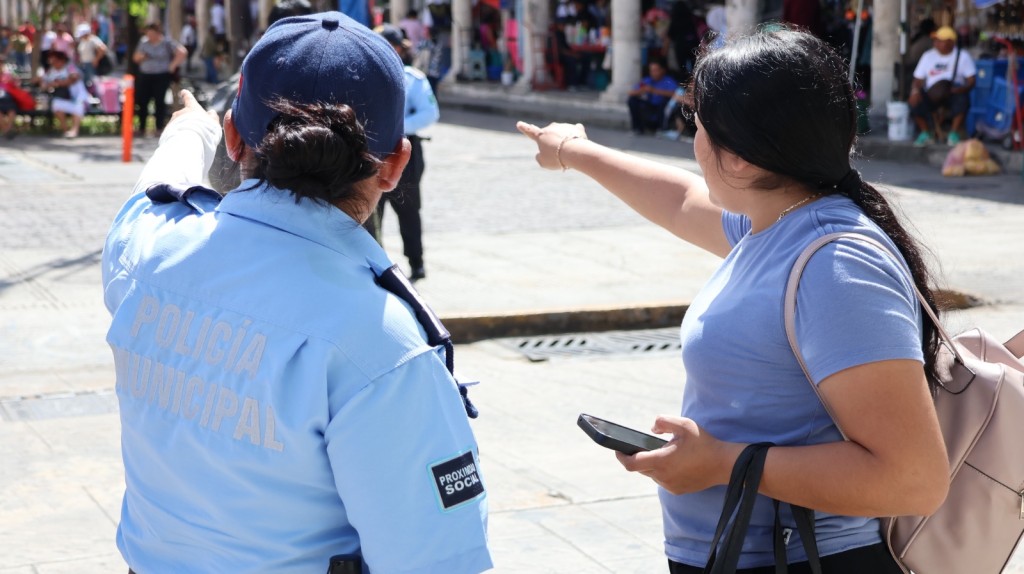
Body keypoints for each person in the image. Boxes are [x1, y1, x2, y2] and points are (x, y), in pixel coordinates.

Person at [517, 26, 948, 573]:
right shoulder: (776, 223)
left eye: (695, 124)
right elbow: (678, 200)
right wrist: (573, 152)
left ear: (742, 159)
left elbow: (912, 479)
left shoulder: (836, 267)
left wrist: (722, 464)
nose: (691, 140)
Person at [101, 11, 492, 573]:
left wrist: (192, 129)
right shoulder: (382, 343)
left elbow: (150, 193)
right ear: (395, 166)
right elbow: (436, 561)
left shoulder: (147, 253)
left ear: (236, 138)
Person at [366, 24, 440, 281]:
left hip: (404, 149)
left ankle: (416, 262)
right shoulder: (363, 77)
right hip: (371, 152)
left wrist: (396, 126)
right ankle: (376, 264)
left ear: (399, 48)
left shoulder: (413, 79)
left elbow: (429, 113)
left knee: (409, 210)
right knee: (370, 211)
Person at [908, 25, 976, 147]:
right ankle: (925, 133)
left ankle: (953, 134)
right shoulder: (928, 56)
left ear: (951, 42)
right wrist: (915, 91)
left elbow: (971, 80)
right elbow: (918, 79)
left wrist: (962, 88)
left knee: (963, 99)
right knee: (914, 101)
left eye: (940, 41)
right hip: (931, 93)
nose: (936, 43)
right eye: (936, 40)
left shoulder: (962, 56)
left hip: (951, 93)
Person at [132, 21, 187, 136]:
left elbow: (182, 52)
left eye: (152, 34)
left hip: (161, 75)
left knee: (159, 101)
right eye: (148, 34)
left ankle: (159, 127)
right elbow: (135, 58)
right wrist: (143, 56)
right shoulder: (144, 42)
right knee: (143, 101)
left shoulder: (166, 43)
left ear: (158, 33)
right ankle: (142, 127)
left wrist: (172, 65)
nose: (150, 37)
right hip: (145, 75)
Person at [37, 50, 88, 138]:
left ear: (62, 60)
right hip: (63, 98)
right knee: (56, 105)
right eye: (51, 61)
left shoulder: (70, 67)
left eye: (55, 61)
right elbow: (43, 83)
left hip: (78, 97)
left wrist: (58, 83)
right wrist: (47, 84)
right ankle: (65, 130)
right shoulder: (51, 71)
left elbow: (74, 78)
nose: (53, 63)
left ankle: (74, 130)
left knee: (78, 106)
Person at [626, 59, 678, 134]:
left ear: (662, 70)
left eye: (656, 70)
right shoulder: (647, 80)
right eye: (651, 70)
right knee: (632, 100)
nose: (653, 73)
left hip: (662, 107)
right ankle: (636, 128)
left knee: (665, 103)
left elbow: (674, 94)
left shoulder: (668, 81)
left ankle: (662, 128)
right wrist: (642, 90)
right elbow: (631, 92)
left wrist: (654, 91)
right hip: (650, 105)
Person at [75, 23, 108, 87]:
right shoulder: (83, 41)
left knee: (93, 82)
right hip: (83, 64)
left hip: (91, 64)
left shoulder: (93, 39)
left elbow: (103, 49)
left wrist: (96, 59)